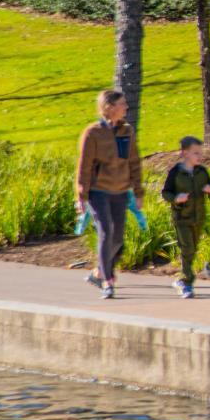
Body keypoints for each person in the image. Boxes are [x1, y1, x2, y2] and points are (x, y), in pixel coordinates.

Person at [75, 89, 140, 300]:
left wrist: (138, 192)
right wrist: (82, 196)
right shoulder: (92, 133)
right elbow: (84, 166)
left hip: (120, 191)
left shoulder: (127, 131)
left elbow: (134, 162)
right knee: (106, 231)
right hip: (98, 192)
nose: (126, 108)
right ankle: (107, 281)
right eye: (122, 104)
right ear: (109, 107)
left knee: (117, 238)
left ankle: (98, 272)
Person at [160, 135, 210, 299]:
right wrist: (176, 198)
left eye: (200, 153)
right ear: (184, 153)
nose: (200, 156)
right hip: (181, 217)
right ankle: (187, 282)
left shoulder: (202, 172)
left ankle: (182, 279)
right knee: (187, 248)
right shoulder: (176, 172)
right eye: (196, 153)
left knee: (192, 249)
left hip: (198, 217)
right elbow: (166, 193)